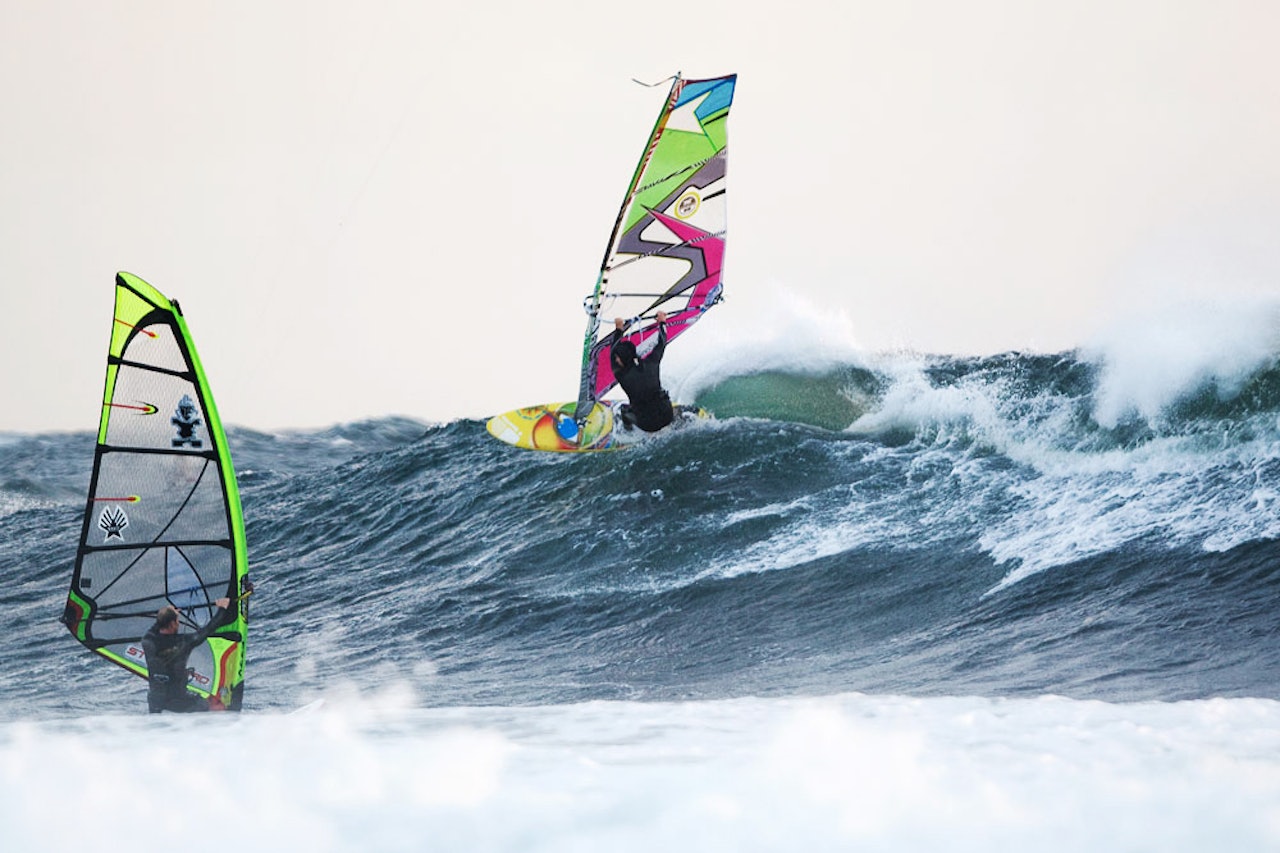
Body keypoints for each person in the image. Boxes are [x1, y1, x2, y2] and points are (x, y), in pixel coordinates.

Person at [141, 597, 234, 713]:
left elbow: (156, 627)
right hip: (178, 701)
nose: (178, 624)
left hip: (156, 700)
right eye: (177, 621)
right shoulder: (184, 642)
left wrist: (167, 615)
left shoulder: (147, 641)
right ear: (172, 624)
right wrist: (222, 608)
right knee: (208, 704)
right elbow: (209, 629)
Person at [609, 311, 675, 432]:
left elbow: (612, 352)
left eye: (618, 357)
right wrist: (662, 322)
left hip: (647, 425)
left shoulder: (622, 376)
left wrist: (619, 329)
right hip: (667, 415)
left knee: (623, 410)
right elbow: (662, 341)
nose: (616, 359)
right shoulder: (652, 362)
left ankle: (628, 433)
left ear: (623, 358)